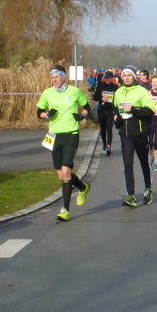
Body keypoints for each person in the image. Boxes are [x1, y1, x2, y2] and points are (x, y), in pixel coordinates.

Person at [36, 65, 92, 222]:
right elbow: (38, 112)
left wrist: (82, 116)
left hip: (70, 135)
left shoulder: (74, 91)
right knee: (61, 175)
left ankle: (65, 210)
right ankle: (82, 187)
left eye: (57, 77)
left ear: (63, 77)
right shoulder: (47, 93)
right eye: (52, 77)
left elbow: (87, 107)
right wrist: (46, 115)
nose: (54, 80)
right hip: (54, 136)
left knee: (66, 172)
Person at [113, 65, 155, 207]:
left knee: (144, 162)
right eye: (124, 75)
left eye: (129, 75)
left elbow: (150, 110)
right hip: (125, 134)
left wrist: (133, 109)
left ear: (134, 77)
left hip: (139, 133)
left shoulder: (142, 91)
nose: (126, 78)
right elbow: (116, 108)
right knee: (127, 164)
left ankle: (148, 188)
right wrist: (116, 117)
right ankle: (131, 195)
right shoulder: (118, 92)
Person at [92, 70, 119, 156]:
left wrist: (116, 112)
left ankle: (108, 146)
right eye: (105, 78)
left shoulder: (115, 88)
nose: (106, 79)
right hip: (102, 111)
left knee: (109, 129)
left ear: (112, 78)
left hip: (110, 111)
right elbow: (94, 97)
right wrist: (101, 98)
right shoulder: (100, 86)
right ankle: (104, 144)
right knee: (103, 129)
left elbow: (117, 100)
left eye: (108, 78)